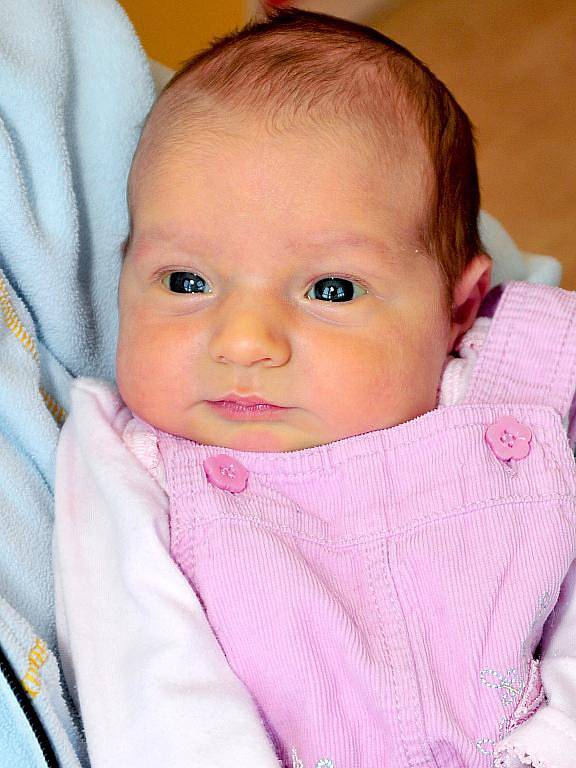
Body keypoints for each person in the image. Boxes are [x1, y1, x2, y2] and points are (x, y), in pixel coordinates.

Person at [53, 7, 576, 768]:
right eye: (186, 280)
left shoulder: (520, 393)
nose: (243, 342)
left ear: (457, 309)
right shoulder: (131, 465)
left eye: (331, 290)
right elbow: (146, 684)